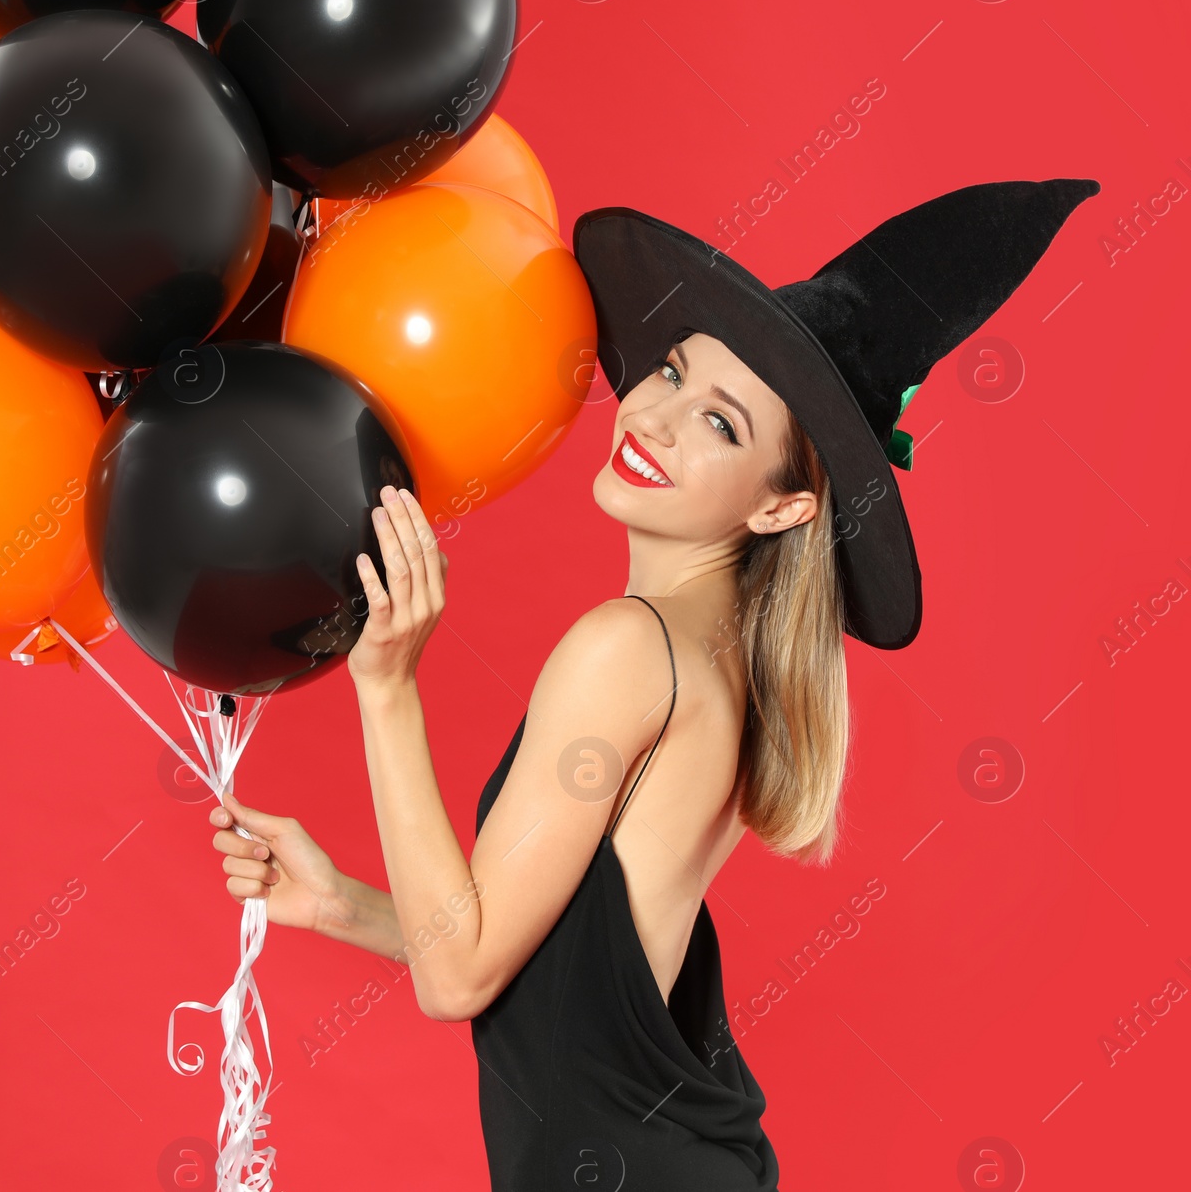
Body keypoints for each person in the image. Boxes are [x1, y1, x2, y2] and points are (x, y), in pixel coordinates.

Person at [207, 177, 1098, 1188]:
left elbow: (461, 975)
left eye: (721, 425)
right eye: (673, 371)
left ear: (782, 508)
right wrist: (342, 907)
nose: (658, 416)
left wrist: (387, 687)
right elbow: (555, 979)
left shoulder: (628, 649)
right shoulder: (717, 660)